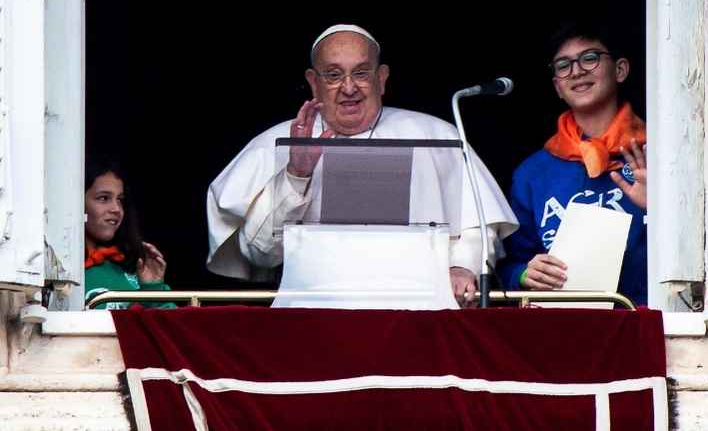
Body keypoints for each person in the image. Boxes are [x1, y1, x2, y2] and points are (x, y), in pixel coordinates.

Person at [206, 24, 518, 305]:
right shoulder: (274, 144)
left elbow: (477, 224)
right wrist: (295, 175)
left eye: (360, 73)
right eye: (333, 74)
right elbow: (260, 254)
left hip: (423, 309)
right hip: (314, 314)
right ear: (313, 82)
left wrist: (461, 266)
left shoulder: (437, 136)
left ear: (381, 79)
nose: (349, 87)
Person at [497, 20, 648, 305]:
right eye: (564, 65)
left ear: (620, 70)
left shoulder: (660, 156)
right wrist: (523, 275)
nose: (577, 71)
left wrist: (659, 211)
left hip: (645, 322)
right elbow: (507, 264)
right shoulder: (534, 173)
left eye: (590, 58)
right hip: (562, 327)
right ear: (557, 86)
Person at [84, 158, 176, 310]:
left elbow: (173, 328)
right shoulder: (58, 273)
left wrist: (153, 288)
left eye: (120, 200)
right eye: (103, 198)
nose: (116, 208)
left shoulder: (136, 267)